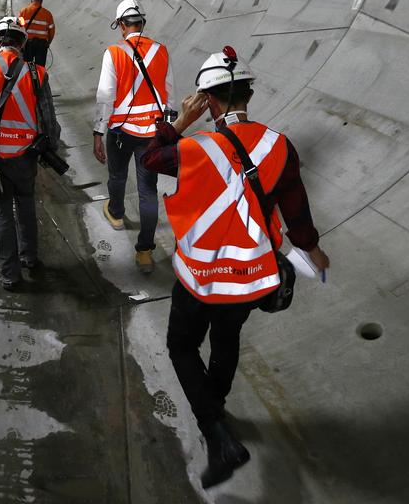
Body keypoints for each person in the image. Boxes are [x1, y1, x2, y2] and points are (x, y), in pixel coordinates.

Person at [141, 46, 330, 488]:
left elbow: (151, 159)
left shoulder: (193, 147)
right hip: (252, 275)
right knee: (227, 341)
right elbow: (296, 211)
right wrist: (313, 249)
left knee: (182, 347)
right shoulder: (278, 145)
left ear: (207, 99)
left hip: (199, 278)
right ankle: (217, 404)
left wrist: (179, 123)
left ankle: (216, 432)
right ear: (248, 92)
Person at [0, 16, 60, 291]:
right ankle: (30, 257)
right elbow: (48, 118)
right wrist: (51, 148)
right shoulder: (38, 73)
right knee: (26, 205)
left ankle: (10, 275)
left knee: (1, 210)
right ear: (22, 42)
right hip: (25, 155)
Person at [92, 0, 174, 274]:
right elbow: (168, 92)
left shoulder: (113, 53)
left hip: (120, 132)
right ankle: (145, 253)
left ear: (121, 26)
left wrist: (97, 132)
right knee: (148, 191)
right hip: (151, 133)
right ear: (141, 22)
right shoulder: (161, 51)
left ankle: (116, 214)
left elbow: (105, 97)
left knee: (117, 176)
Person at [17, 0, 55, 67]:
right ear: (41, 0)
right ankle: (39, 78)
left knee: (26, 67)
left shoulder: (23, 11)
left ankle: (28, 78)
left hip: (27, 44)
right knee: (40, 68)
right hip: (42, 45)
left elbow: (19, 27)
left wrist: (20, 43)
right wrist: (48, 42)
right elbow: (52, 30)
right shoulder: (47, 14)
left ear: (31, 0)